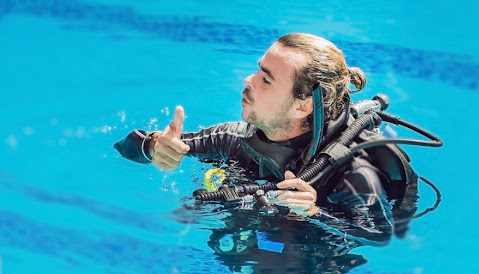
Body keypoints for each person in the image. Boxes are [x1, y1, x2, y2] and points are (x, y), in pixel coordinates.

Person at [114, 33, 418, 219]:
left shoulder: (354, 175)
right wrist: (153, 145)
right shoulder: (236, 139)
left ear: (303, 105)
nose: (248, 81)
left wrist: (315, 213)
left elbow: (375, 235)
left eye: (266, 79)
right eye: (257, 71)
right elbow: (126, 147)